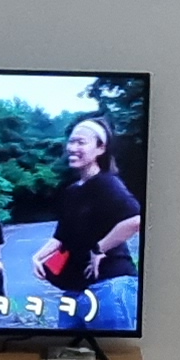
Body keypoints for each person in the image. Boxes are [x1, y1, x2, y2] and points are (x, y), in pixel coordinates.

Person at [41, 116, 141, 331]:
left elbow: (135, 220)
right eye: (71, 141)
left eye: (81, 142)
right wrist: (37, 257)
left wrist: (99, 248)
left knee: (112, 351)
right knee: (66, 350)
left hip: (110, 285)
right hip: (75, 290)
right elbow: (61, 237)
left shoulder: (107, 183)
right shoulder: (72, 191)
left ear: (100, 148)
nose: (72, 147)